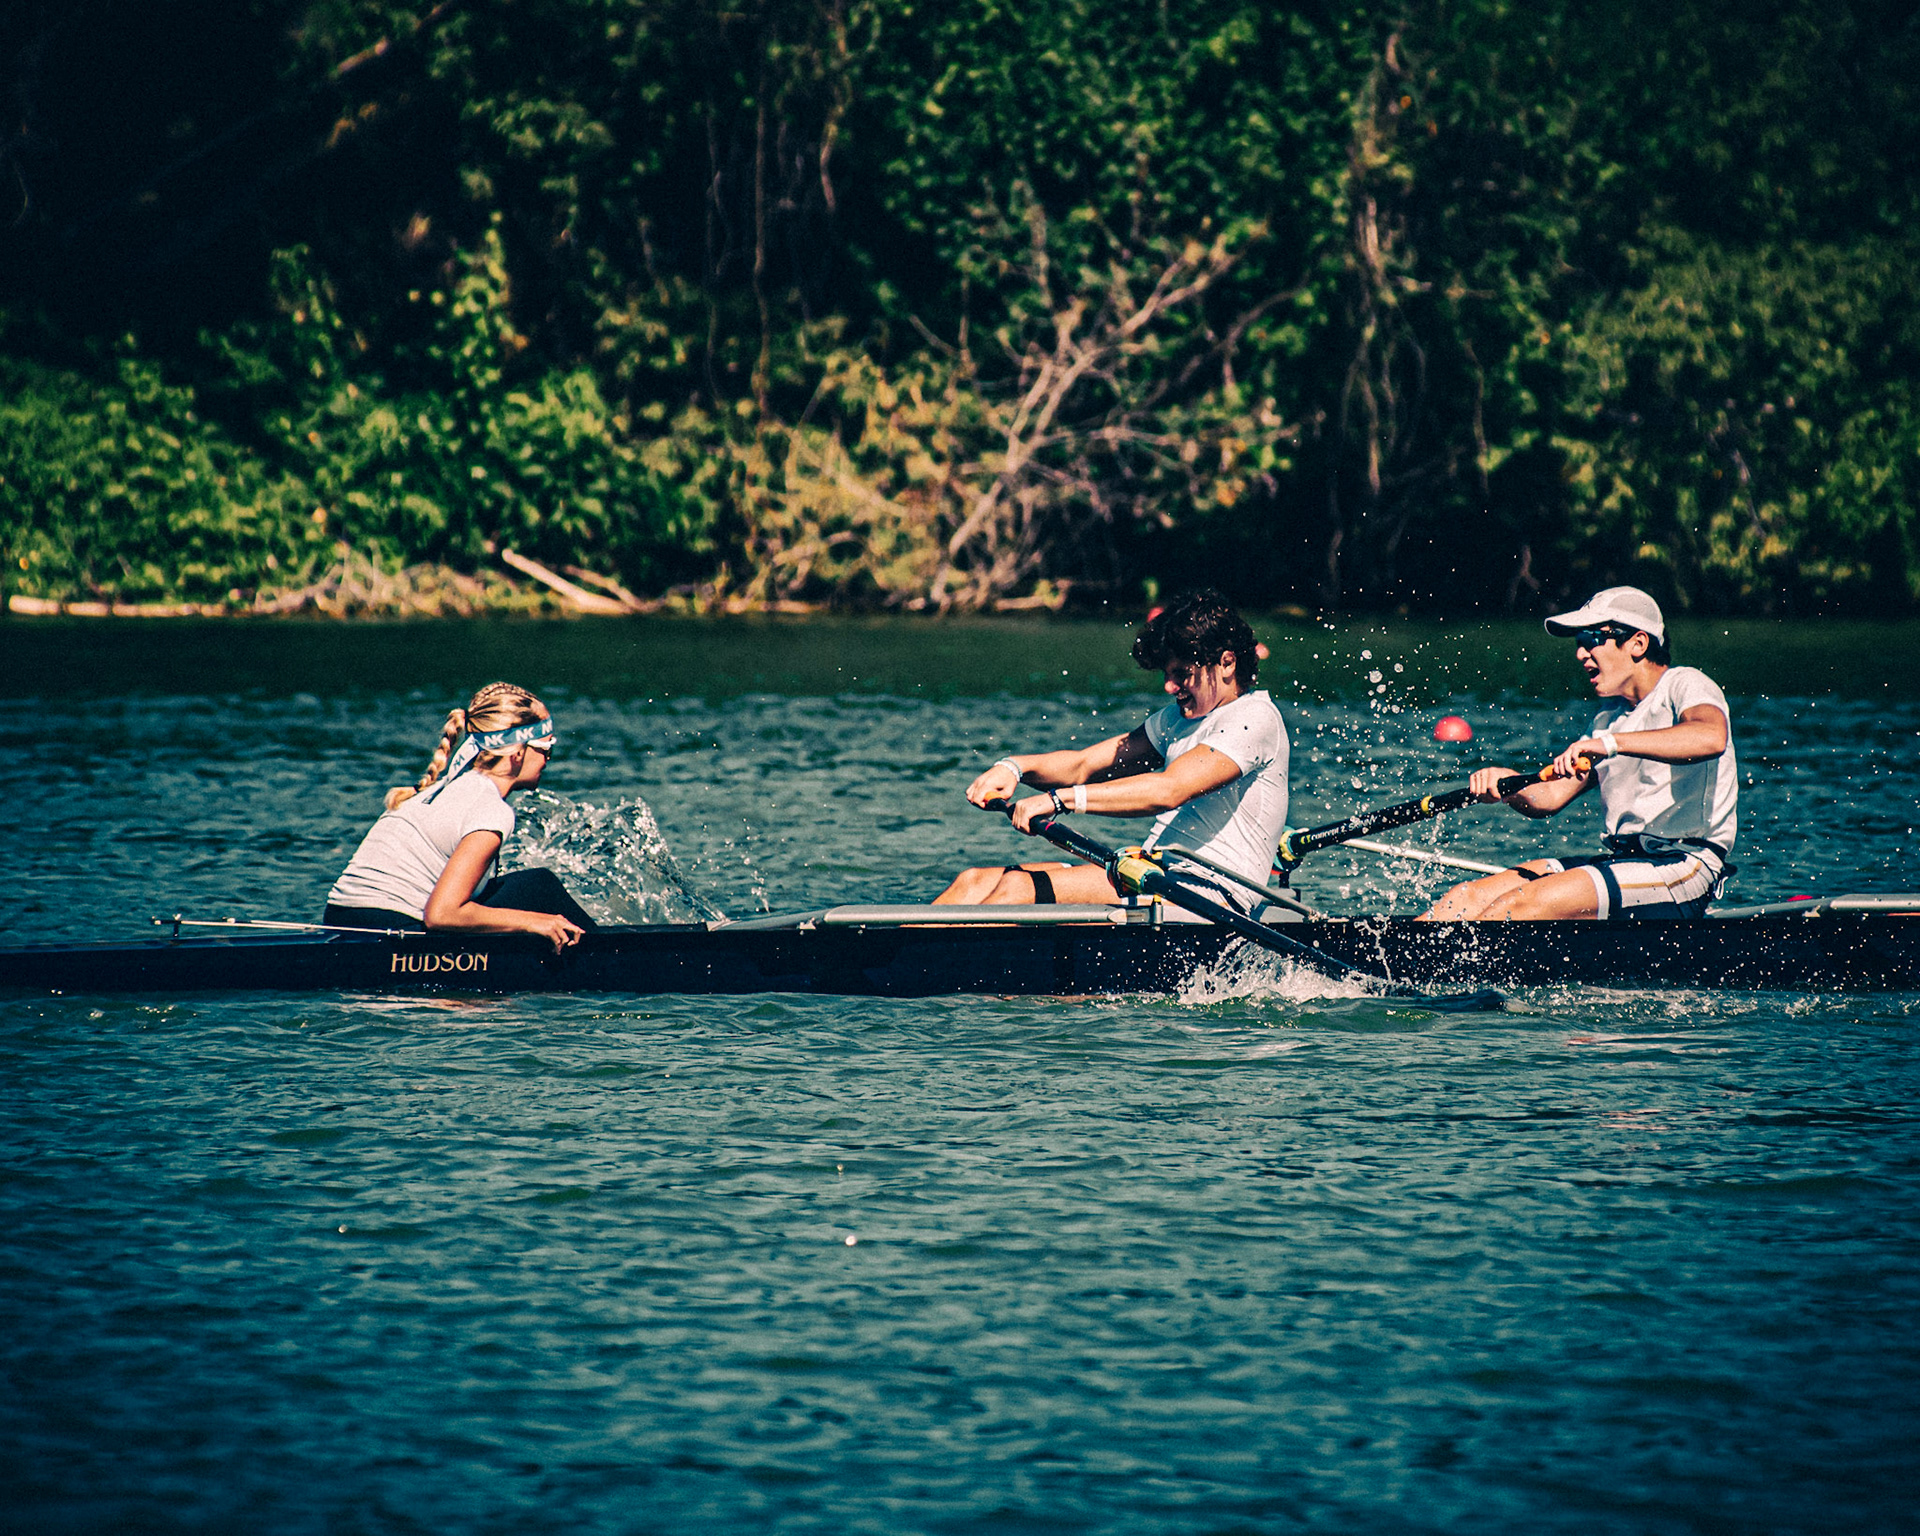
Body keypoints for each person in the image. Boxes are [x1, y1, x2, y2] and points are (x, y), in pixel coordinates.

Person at [934, 589, 1288, 911]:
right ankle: (905, 950)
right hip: (1156, 872)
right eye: (1166, 674)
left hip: (1212, 893)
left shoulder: (1254, 718)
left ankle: (938, 958)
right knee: (974, 882)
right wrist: (1014, 767)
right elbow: (1083, 766)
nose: (1169, 686)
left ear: (1227, 663)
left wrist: (1059, 801)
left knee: (1018, 889)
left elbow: (1168, 790)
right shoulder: (1176, 720)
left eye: (1181, 674)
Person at [1421, 586, 1737, 921]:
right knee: (1465, 898)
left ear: (1638, 644)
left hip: (1684, 865)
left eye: (1591, 639)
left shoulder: (1685, 684)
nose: (1580, 654)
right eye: (1578, 642)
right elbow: (1550, 797)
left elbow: (1710, 737)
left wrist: (1610, 744)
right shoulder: (1607, 720)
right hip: (1625, 862)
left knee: (1519, 905)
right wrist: (1508, 784)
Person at [325, 681, 596, 951]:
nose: (548, 760)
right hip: (392, 931)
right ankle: (608, 953)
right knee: (539, 887)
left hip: (339, 920)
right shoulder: (490, 809)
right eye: (547, 749)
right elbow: (441, 914)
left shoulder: (443, 788)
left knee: (530, 885)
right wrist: (534, 922)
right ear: (517, 751)